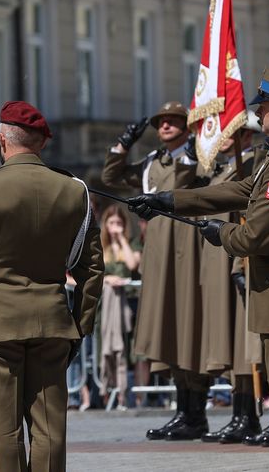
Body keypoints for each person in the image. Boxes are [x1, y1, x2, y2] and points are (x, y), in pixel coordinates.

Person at [131, 69, 269, 472]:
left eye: (263, 107)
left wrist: (219, 233)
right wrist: (170, 201)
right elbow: (242, 190)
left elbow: (256, 238)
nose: (258, 114)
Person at [0, 100, 103, 471]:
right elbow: (91, 267)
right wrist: (81, 326)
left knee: (4, 432)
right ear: (42, 143)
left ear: (2, 140)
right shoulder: (73, 189)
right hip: (53, 321)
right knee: (50, 430)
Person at [101, 100, 209, 440]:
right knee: (169, 330)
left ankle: (195, 413)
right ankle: (183, 412)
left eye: (174, 121)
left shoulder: (195, 158)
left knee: (188, 328)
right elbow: (110, 176)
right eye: (161, 122)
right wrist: (123, 144)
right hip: (159, 252)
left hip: (185, 250)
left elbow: (184, 179)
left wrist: (191, 148)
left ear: (186, 126)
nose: (165, 126)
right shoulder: (151, 162)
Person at [197, 125, 264, 445]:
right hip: (219, 260)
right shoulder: (225, 167)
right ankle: (239, 413)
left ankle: (247, 414)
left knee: (242, 341)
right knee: (228, 339)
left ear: (244, 135)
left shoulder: (249, 164)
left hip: (237, 256)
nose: (215, 135)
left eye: (225, 130)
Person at [97, 205, 140, 412]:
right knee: (104, 349)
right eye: (112, 223)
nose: (115, 227)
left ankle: (124, 394)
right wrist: (108, 279)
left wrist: (121, 239)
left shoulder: (130, 244)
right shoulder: (100, 245)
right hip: (105, 306)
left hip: (126, 304)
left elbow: (132, 265)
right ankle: (107, 390)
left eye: (119, 223)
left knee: (125, 349)